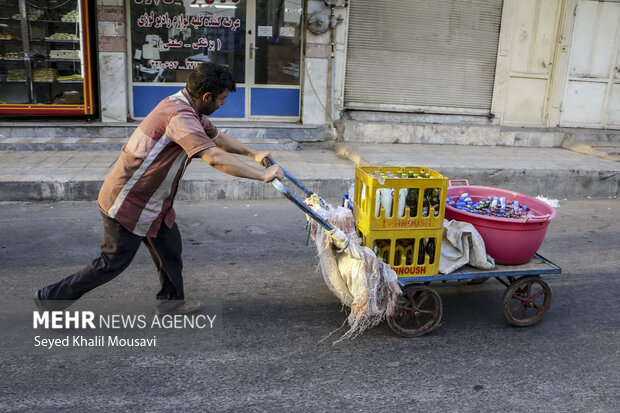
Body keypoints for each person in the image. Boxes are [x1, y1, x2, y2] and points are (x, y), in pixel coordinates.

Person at [34, 63, 284, 315]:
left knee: (170, 250)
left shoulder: (189, 108)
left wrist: (254, 153)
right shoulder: (180, 117)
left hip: (154, 204)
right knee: (110, 264)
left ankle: (171, 303)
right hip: (127, 202)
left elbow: (217, 138)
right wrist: (262, 175)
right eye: (221, 99)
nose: (222, 104)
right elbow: (213, 155)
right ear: (206, 97)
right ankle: (51, 297)